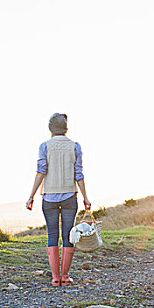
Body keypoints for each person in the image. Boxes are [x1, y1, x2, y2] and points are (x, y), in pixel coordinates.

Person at [26, 113, 91, 287]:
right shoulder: (74, 146)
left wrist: (31, 196)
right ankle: (65, 276)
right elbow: (79, 174)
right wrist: (85, 197)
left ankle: (55, 278)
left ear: (50, 128)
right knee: (69, 235)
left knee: (52, 235)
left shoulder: (44, 147)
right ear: (65, 128)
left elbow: (41, 172)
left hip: (49, 197)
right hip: (70, 196)